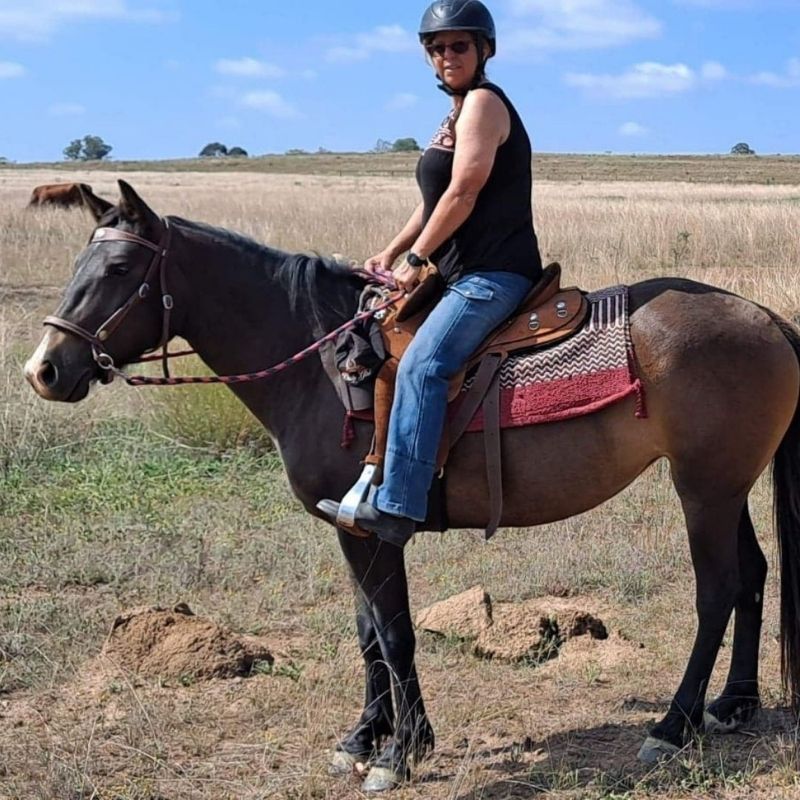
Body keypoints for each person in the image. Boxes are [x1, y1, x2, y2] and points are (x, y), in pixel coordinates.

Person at [323, 0, 543, 545]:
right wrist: (391, 251)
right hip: (457, 273)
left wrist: (419, 259)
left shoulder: (486, 104)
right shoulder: (457, 112)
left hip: (493, 274)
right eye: (437, 48)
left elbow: (465, 191)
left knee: (423, 365)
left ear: (484, 50)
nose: (448, 55)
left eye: (459, 46)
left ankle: (399, 507)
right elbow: (436, 199)